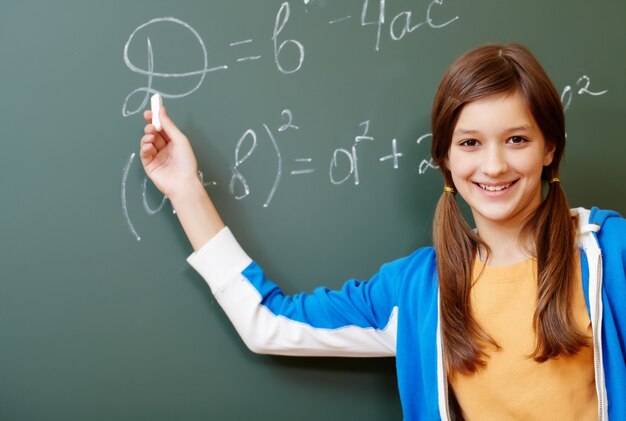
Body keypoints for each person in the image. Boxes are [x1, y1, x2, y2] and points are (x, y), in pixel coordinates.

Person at [138, 44, 626, 420]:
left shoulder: (611, 254)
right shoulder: (417, 290)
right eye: (470, 142)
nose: (494, 165)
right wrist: (184, 190)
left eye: (517, 139)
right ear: (446, 159)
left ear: (550, 148)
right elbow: (268, 323)